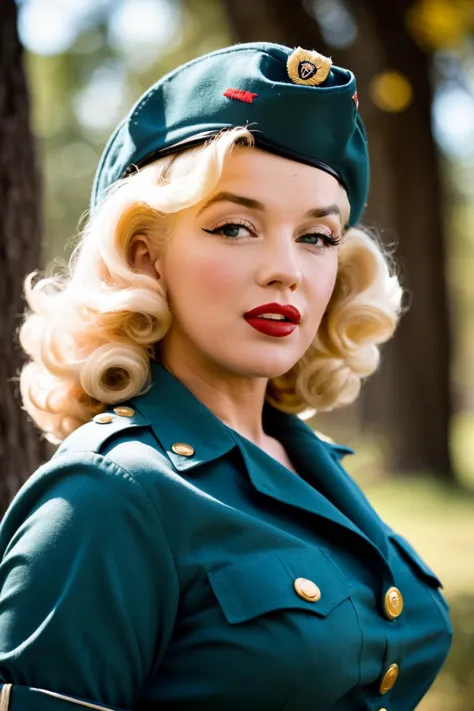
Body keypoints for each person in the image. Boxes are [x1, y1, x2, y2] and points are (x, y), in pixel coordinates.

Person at [0, 42, 452, 711]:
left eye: (317, 236)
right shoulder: (107, 496)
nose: (286, 270)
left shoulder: (308, 462)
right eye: (236, 227)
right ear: (147, 257)